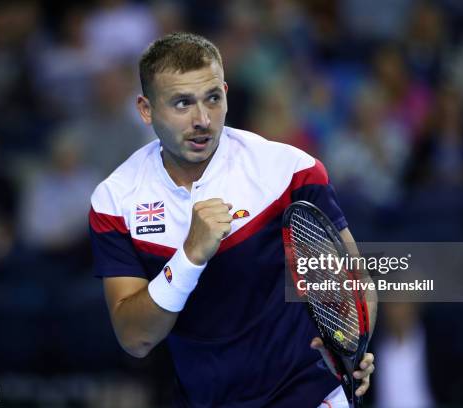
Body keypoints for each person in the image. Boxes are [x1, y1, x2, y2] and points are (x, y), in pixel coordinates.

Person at [89, 32, 376, 407]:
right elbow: (135, 337)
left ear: (226, 92)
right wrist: (191, 254)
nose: (203, 120)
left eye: (213, 98)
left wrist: (352, 343)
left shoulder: (290, 171)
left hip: (309, 391)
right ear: (146, 109)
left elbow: (355, 280)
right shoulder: (114, 200)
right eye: (182, 104)